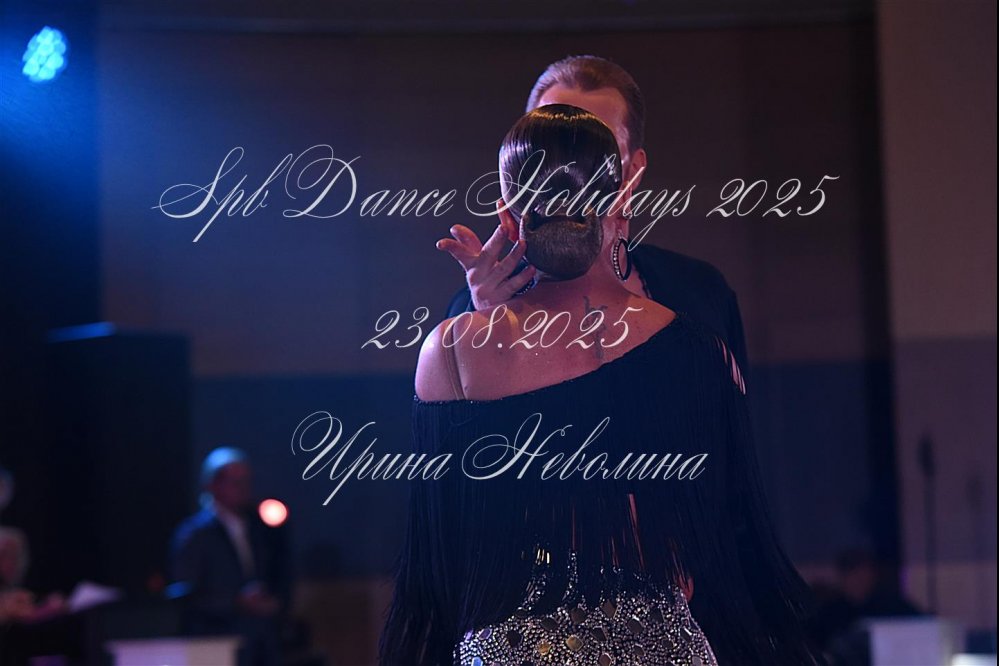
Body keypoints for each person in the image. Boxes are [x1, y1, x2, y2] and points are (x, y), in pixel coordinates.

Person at [380, 105, 816, 665]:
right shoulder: (701, 353)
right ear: (619, 209)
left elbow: (440, 567)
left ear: (507, 218)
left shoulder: (453, 352)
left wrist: (487, 317)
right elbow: (720, 551)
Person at [439, 55, 748, 373]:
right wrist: (489, 322)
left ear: (633, 171)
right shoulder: (470, 314)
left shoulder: (701, 292)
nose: (569, 172)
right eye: (548, 149)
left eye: (599, 150)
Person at [170, 447, 290, 666]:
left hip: (262, 644)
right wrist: (236, 602)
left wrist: (272, 601)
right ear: (212, 485)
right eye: (235, 482)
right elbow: (186, 595)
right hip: (215, 644)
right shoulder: (195, 534)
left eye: (246, 481)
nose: (243, 488)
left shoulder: (259, 529)